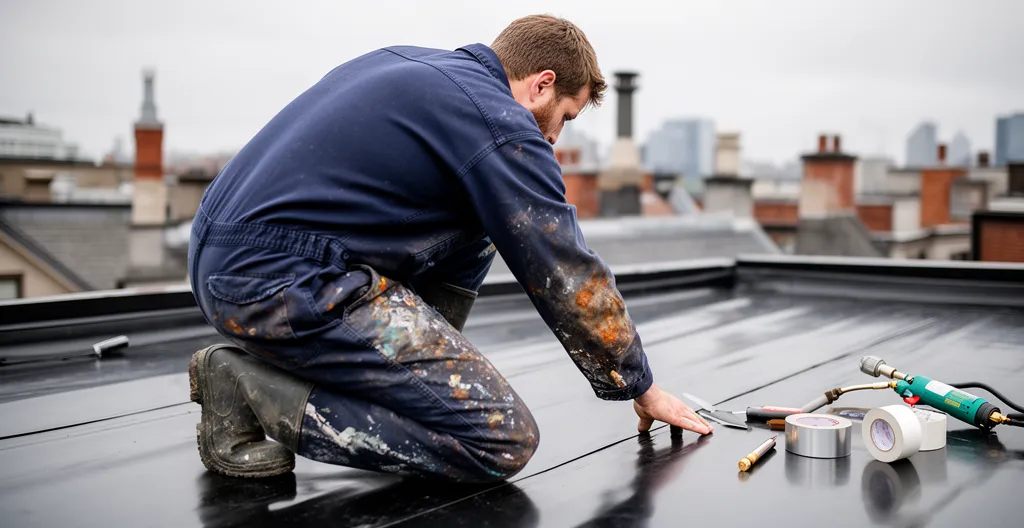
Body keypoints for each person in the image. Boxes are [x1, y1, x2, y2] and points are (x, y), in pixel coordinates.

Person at [187, 14, 712, 483]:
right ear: (542, 85)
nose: (556, 137)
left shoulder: (408, 64)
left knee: (484, 219)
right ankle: (247, 392)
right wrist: (641, 386)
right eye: (566, 117)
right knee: (499, 438)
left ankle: (413, 395)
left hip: (224, 260)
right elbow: (566, 271)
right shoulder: (499, 124)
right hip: (281, 285)